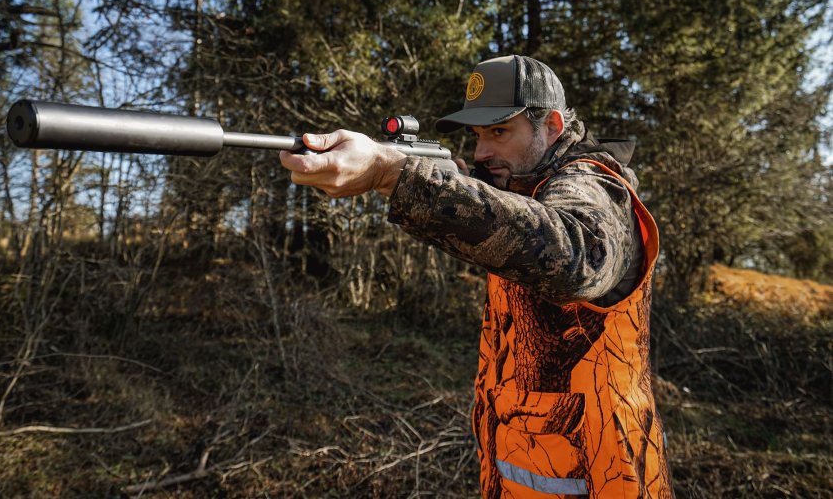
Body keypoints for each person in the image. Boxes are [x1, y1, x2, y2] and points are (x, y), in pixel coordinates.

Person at [279, 55, 673, 498]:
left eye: (499, 132)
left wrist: (397, 176)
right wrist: (449, 186)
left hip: (604, 478)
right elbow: (510, 226)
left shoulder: (593, 185)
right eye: (476, 136)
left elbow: (577, 258)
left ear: (553, 126)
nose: (481, 152)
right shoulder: (523, 188)